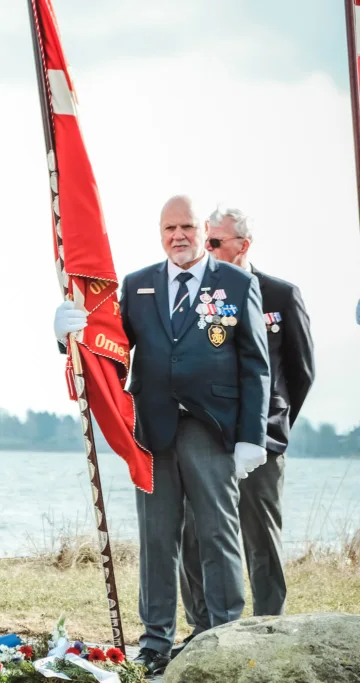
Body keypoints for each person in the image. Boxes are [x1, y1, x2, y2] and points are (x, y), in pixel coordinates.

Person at [53, 195, 270, 676]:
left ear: (203, 230)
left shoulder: (236, 282)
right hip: (152, 430)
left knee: (217, 532)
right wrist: (68, 333)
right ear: (160, 233)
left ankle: (224, 636)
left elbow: (256, 364)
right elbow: (111, 345)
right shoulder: (137, 285)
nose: (179, 236)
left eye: (187, 227)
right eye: (170, 228)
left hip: (212, 427)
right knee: (156, 538)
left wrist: (252, 436)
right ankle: (154, 643)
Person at [177, 207, 315, 649]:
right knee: (196, 536)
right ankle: (202, 632)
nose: (207, 249)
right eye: (206, 241)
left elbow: (301, 372)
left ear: (244, 245)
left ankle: (268, 633)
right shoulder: (199, 294)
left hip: (261, 442)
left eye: (215, 243)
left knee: (261, 540)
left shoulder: (280, 295)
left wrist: (273, 427)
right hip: (208, 438)